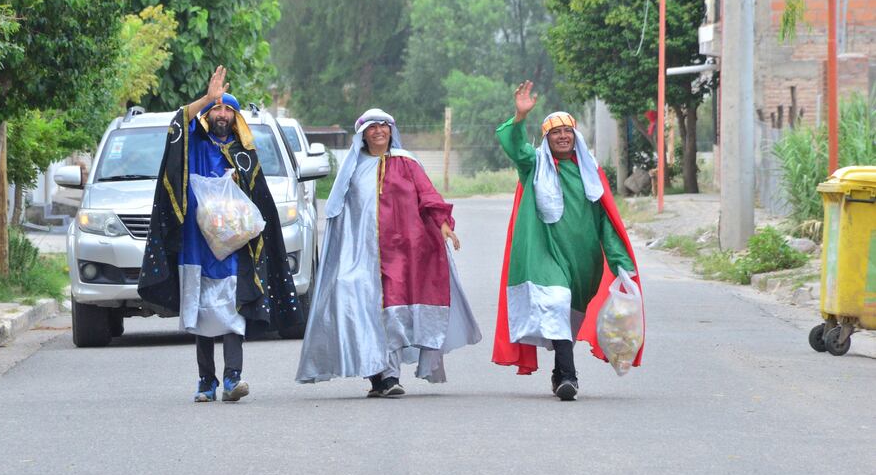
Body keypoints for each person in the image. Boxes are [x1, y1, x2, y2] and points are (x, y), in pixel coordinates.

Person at [138, 66, 303, 403]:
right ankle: (205, 381)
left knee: (232, 308)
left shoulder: (245, 156)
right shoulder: (194, 143)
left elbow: (259, 202)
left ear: (237, 117)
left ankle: (232, 379)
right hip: (196, 246)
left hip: (233, 248)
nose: (222, 114)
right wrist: (206, 98)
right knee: (200, 310)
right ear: (208, 114)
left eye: (228, 108)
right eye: (217, 108)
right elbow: (178, 123)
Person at [296, 108, 481, 396]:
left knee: (390, 311)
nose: (379, 131)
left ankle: (389, 378)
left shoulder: (407, 163)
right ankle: (376, 375)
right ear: (363, 134)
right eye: (373, 127)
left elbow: (427, 195)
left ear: (391, 131)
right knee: (359, 306)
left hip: (402, 254)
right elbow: (338, 212)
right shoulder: (353, 168)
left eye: (384, 126)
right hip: (360, 255)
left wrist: (443, 225)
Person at [492, 81, 643, 401]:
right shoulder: (534, 166)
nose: (562, 137)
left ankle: (560, 372)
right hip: (545, 254)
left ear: (576, 136)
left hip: (583, 261)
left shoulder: (591, 172)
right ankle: (570, 378)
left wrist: (621, 264)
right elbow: (515, 147)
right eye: (555, 133)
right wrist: (519, 118)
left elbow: (605, 221)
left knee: (567, 317)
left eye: (567, 132)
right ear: (546, 140)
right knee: (557, 301)